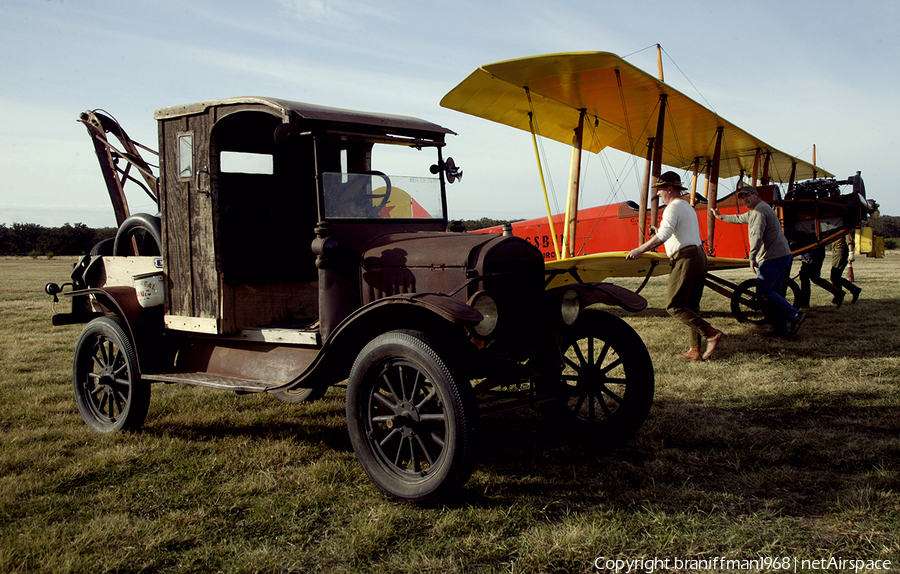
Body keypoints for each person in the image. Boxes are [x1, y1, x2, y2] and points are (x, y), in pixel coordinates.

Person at [627, 171, 725, 360]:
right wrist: (659, 230)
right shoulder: (686, 206)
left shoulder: (672, 208)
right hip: (698, 256)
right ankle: (695, 350)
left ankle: (711, 333)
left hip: (686, 258)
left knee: (675, 306)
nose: (659, 194)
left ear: (670, 189)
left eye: (661, 190)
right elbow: (674, 232)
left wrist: (639, 250)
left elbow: (663, 236)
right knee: (691, 305)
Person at [712, 184, 806, 337]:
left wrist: (752, 256)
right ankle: (781, 330)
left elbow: (756, 236)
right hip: (781, 256)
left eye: (747, 195)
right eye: (742, 197)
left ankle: (795, 315)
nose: (744, 199)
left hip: (772, 258)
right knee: (773, 294)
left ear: (756, 195)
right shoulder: (758, 210)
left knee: (764, 292)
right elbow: (739, 218)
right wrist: (720, 216)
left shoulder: (759, 212)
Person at [830, 234, 861, 303]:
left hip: (840, 250)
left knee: (834, 276)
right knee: (835, 277)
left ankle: (838, 296)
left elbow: (849, 239)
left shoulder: (843, 226)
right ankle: (854, 289)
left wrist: (851, 252)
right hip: (837, 250)